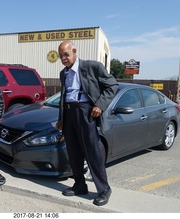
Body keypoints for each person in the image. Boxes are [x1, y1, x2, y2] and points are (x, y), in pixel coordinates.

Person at [56, 40, 118, 206]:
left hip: (86, 112)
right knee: (73, 152)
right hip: (69, 114)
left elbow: (112, 86)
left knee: (93, 152)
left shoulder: (93, 67)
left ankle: (104, 189)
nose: (63, 58)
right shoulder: (64, 73)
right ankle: (79, 185)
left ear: (75, 52)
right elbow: (64, 97)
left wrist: (100, 105)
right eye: (61, 56)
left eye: (66, 55)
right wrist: (61, 119)